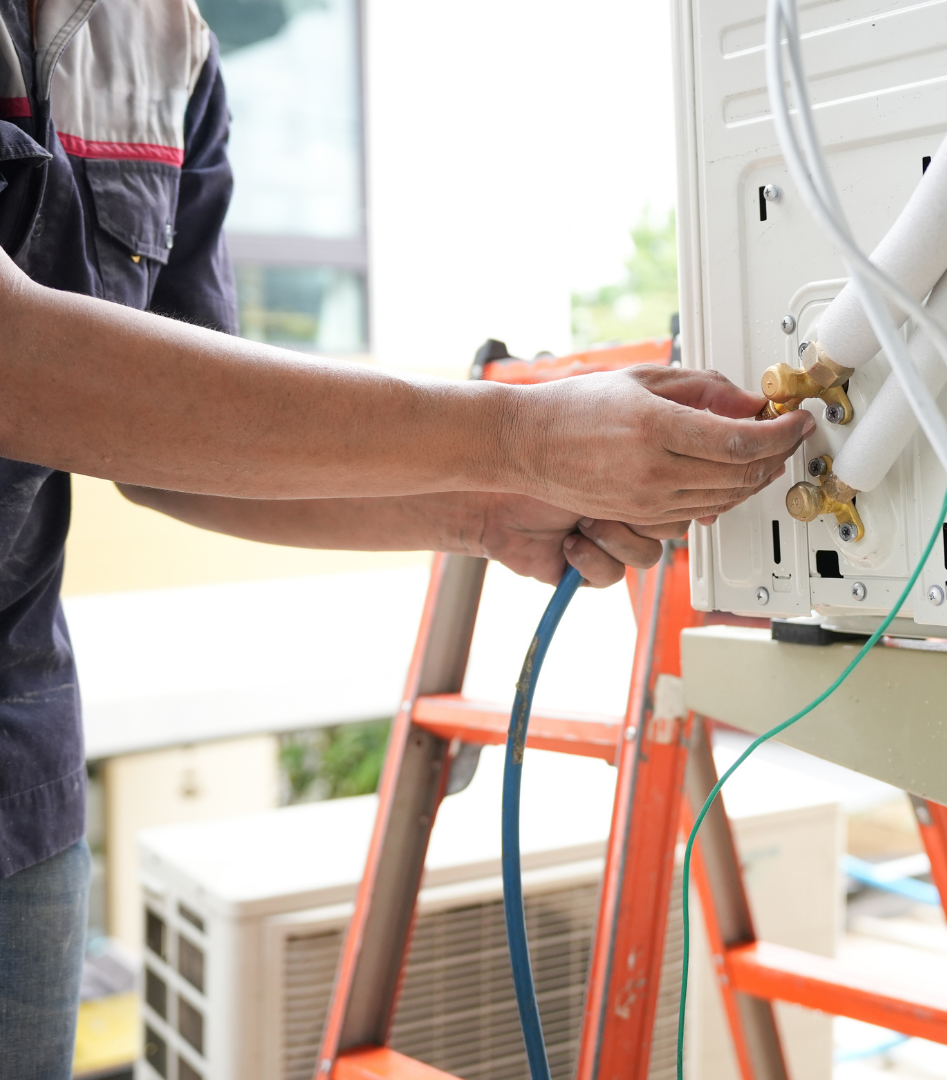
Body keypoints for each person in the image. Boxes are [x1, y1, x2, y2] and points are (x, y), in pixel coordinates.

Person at [0, 1, 810, 1075]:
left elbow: (166, 453)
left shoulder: (165, 45)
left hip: (21, 772)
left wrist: (484, 507)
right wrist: (515, 438)